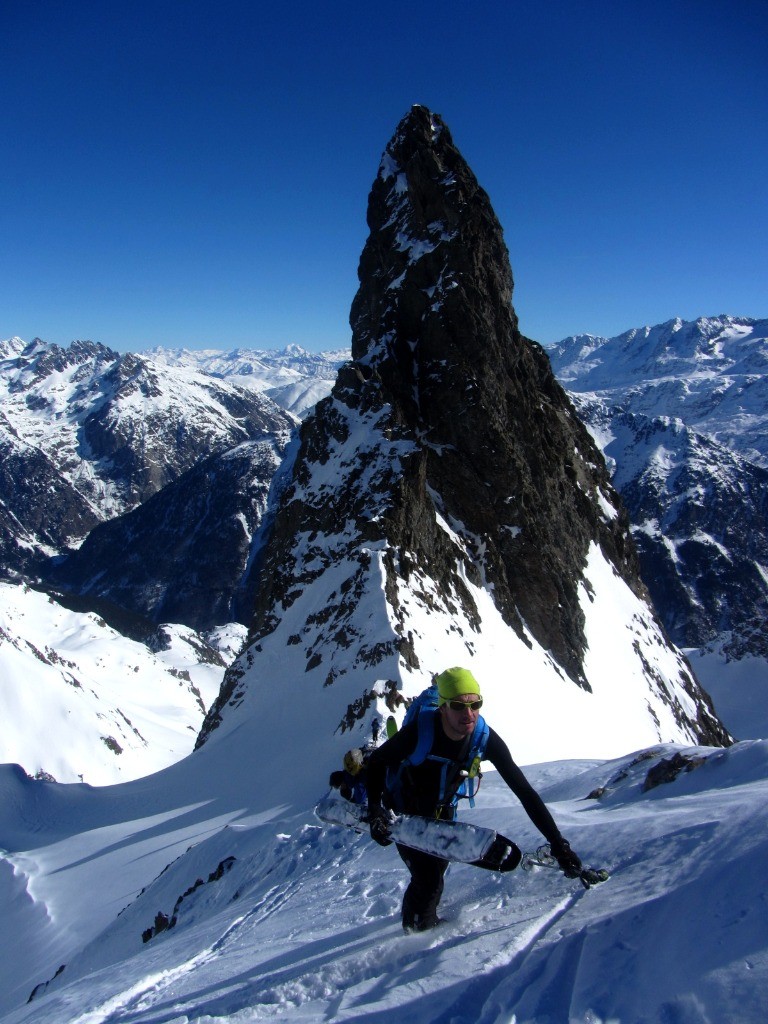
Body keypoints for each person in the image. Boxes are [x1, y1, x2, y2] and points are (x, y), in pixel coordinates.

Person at [364, 666, 584, 932]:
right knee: (428, 878)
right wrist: (376, 809)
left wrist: (558, 844)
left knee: (435, 872)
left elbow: (524, 792)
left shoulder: (483, 738)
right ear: (443, 707)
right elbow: (376, 765)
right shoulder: (419, 733)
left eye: (475, 704)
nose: (468, 714)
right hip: (403, 810)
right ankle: (416, 938)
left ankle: (418, 920)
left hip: (442, 814)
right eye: (458, 706)